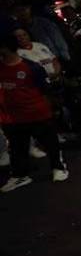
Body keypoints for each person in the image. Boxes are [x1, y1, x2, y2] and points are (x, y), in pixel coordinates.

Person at [0, 33, 67, 191]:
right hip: (11, 118)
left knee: (49, 143)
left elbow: (45, 91)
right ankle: (20, 175)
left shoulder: (31, 67)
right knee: (17, 148)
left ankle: (58, 167)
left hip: (36, 114)